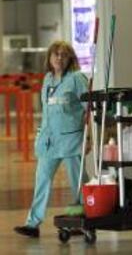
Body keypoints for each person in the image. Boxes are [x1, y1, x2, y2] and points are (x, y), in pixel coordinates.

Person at [14, 41, 88, 238]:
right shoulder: (47, 79)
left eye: (63, 55)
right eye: (55, 55)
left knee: (78, 183)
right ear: (49, 58)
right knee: (42, 180)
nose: (59, 58)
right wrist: (40, 134)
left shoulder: (76, 79)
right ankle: (33, 224)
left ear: (70, 58)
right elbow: (47, 111)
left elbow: (89, 108)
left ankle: (82, 221)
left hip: (71, 140)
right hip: (49, 141)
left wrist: (90, 137)